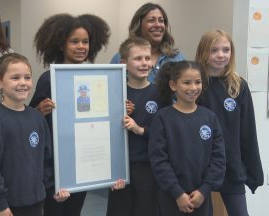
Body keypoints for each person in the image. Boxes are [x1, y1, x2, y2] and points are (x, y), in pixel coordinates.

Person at [30, 13, 125, 216]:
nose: (81, 46)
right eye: (74, 41)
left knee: (75, 211)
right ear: (61, 44)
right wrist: (39, 111)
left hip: (83, 162)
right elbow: (29, 118)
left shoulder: (96, 78)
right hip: (54, 165)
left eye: (86, 42)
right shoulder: (48, 79)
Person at [0, 53, 70, 216]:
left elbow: (46, 160)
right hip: (4, 206)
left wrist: (53, 187)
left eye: (27, 77)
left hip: (35, 202)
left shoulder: (37, 118)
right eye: (15, 78)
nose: (23, 83)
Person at [195, 29, 264, 216]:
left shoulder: (238, 86)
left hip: (231, 166)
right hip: (199, 166)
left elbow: (248, 132)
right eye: (214, 50)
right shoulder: (194, 84)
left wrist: (253, 171)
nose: (221, 55)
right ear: (203, 53)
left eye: (226, 50)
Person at [148, 61, 226, 216]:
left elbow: (218, 159)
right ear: (173, 85)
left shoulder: (210, 118)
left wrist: (204, 191)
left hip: (201, 199)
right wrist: (177, 193)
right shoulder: (163, 118)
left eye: (198, 82)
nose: (193, 88)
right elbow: (158, 160)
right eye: (186, 82)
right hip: (171, 198)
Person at [106, 37, 160, 216]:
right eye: (138, 58)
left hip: (148, 169)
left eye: (147, 58)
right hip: (120, 170)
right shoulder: (114, 94)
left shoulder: (160, 94)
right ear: (124, 63)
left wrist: (139, 129)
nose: (144, 63)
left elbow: (165, 135)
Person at [110, 2, 185, 83]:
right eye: (151, 20)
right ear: (139, 26)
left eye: (161, 21)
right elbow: (112, 89)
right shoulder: (120, 58)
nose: (158, 25)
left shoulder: (177, 58)